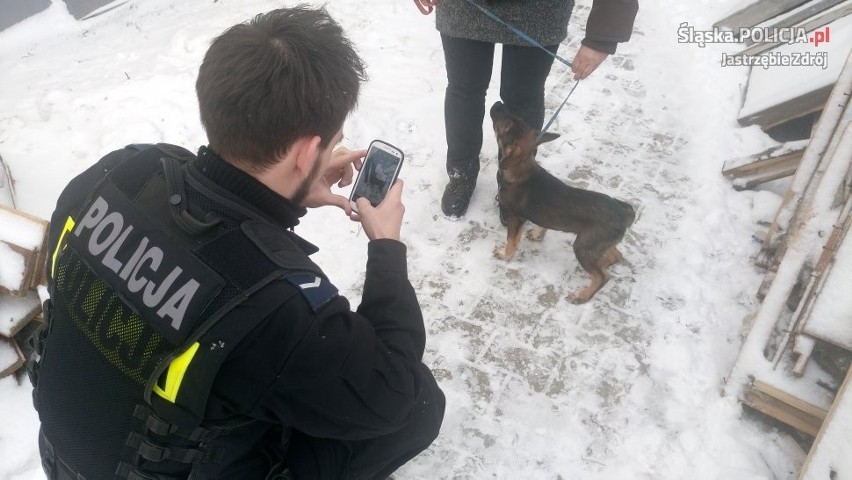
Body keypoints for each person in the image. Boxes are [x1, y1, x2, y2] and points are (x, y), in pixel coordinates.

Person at [28, 7, 445, 480]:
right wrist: (386, 247)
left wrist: (289, 188)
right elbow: (392, 392)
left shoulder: (118, 172)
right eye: (330, 145)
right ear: (307, 152)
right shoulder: (279, 307)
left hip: (66, 450)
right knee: (422, 405)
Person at [415, 0, 639, 217]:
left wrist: (601, 36)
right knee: (464, 91)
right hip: (463, 6)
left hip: (540, 9)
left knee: (523, 98)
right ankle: (460, 175)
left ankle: (513, 185)